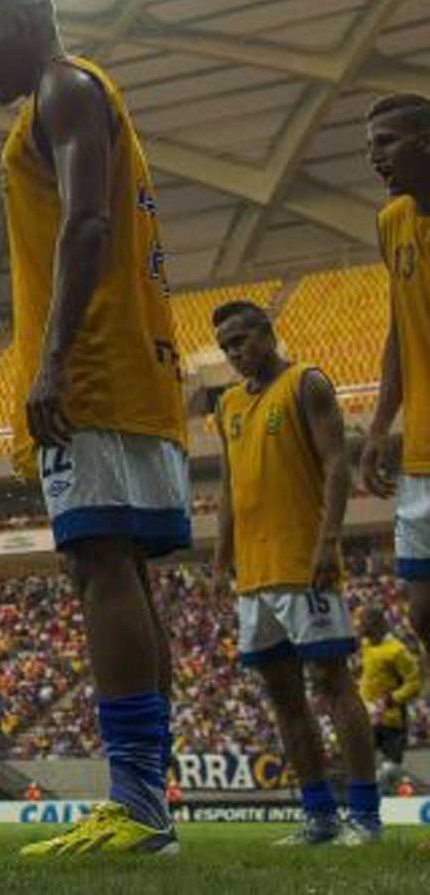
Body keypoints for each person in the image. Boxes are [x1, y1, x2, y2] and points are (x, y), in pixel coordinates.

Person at [0, 0, 185, 857]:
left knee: (101, 566)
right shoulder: (55, 102)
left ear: (27, 20)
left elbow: (86, 225)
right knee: (118, 566)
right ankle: (148, 802)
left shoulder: (65, 87)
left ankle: (136, 805)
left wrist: (51, 364)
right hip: (125, 364)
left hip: (94, 366)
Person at [210, 300, 379, 844]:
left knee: (333, 682)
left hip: (304, 563)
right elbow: (232, 488)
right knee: (284, 698)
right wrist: (220, 560)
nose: (235, 353)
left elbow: (337, 463)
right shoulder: (229, 405)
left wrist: (329, 539)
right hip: (254, 576)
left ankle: (366, 816)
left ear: (268, 332)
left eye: (241, 340)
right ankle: (319, 816)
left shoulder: (307, 382)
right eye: (226, 347)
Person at [361, 93, 430, 657]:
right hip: (420, 454)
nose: (374, 158)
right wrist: (380, 426)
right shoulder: (392, 222)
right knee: (424, 612)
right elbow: (398, 330)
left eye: (386, 143)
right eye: (370, 147)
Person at [359, 608, 421, 791]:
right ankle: (371, 801)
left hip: (392, 719)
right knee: (363, 763)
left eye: (364, 622)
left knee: (391, 768)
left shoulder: (397, 650)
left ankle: (392, 793)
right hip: (368, 716)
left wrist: (393, 699)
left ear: (377, 624)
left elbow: (414, 683)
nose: (360, 626)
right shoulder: (365, 645)